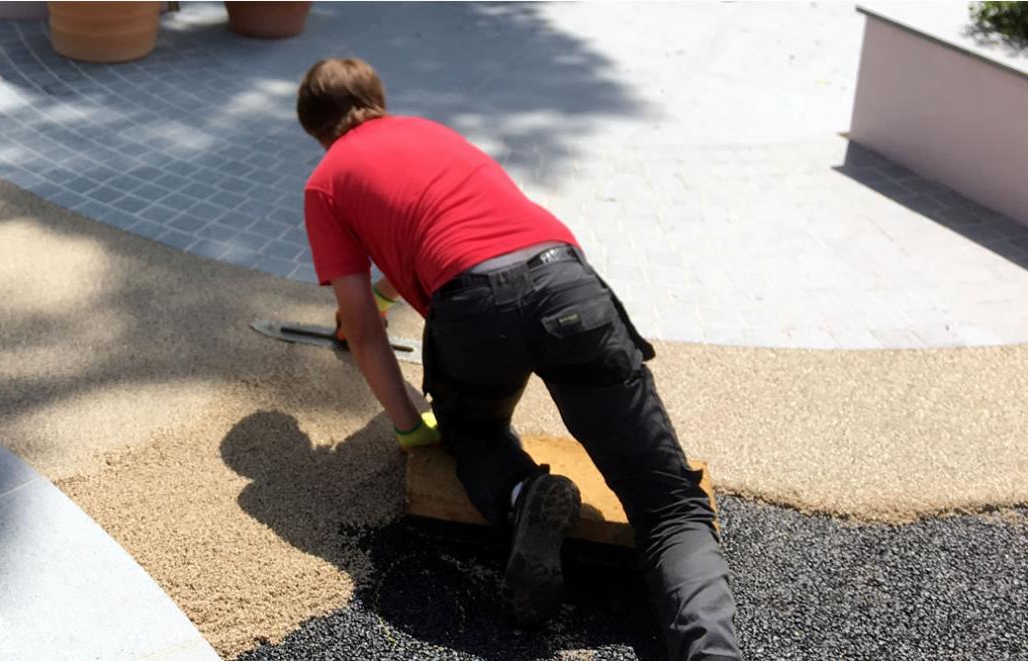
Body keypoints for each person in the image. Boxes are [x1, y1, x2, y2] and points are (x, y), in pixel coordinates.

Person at [296, 57, 741, 660]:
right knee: (667, 505)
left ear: (314, 128)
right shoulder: (432, 133)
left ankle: (520, 492)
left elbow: (367, 334)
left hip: (473, 310)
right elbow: (447, 223)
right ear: (377, 99)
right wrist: (382, 290)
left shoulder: (326, 183)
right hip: (565, 282)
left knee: (473, 436)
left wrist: (408, 424)